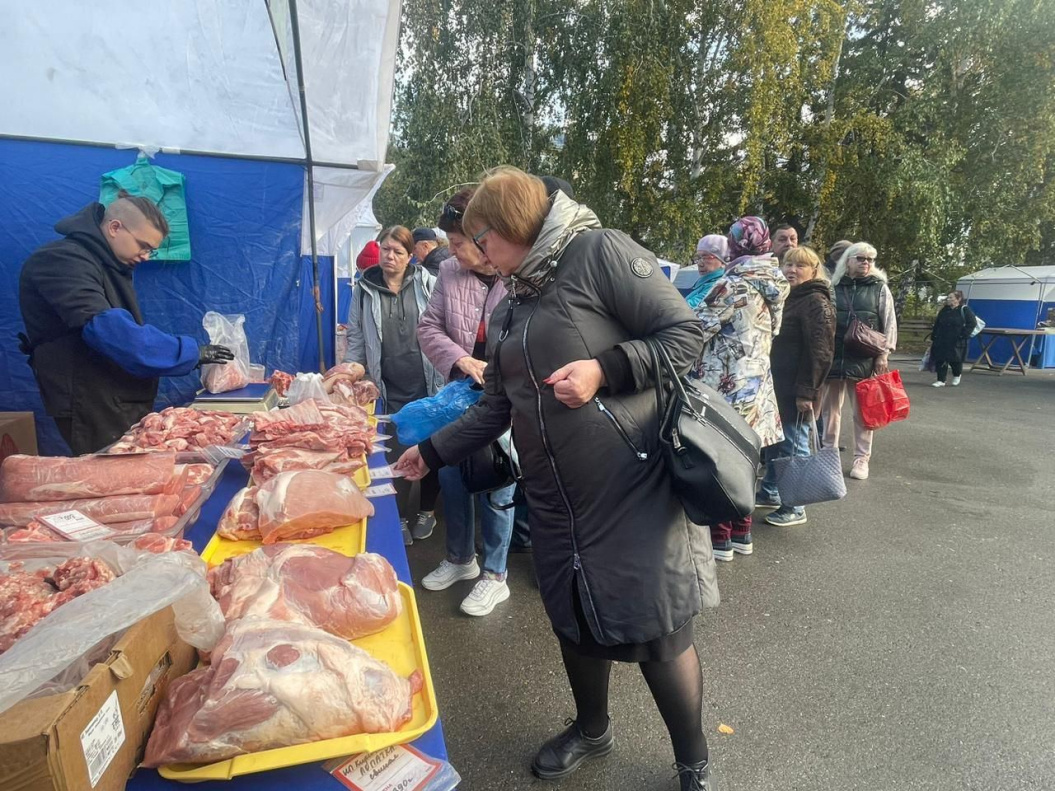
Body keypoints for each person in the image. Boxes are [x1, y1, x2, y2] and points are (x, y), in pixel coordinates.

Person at [395, 167, 718, 791]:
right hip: (554, 499)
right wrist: (430, 454)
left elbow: (685, 336)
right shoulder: (513, 298)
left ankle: (692, 762)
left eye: (481, 239)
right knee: (574, 622)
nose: (477, 253)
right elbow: (496, 404)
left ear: (511, 224)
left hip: (631, 489)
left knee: (659, 632)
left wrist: (604, 369)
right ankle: (592, 730)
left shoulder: (599, 252)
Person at [18, 195, 234, 455]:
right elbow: (108, 330)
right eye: (143, 246)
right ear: (114, 227)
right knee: (112, 471)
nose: (146, 257)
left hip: (115, 394)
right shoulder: (62, 260)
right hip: (90, 398)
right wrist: (190, 352)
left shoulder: (106, 263)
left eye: (151, 250)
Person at [416, 188, 516, 615]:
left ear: (482, 236)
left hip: (505, 396)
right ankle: (460, 559)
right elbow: (428, 328)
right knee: (453, 474)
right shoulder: (450, 272)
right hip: (458, 392)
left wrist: (500, 369)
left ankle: (495, 575)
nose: (452, 250)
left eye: (457, 241)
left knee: (497, 479)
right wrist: (459, 358)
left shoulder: (518, 272)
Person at [689, 216, 789, 561]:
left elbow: (697, 329)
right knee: (747, 460)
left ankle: (720, 537)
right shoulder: (774, 283)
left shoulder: (733, 284)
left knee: (719, 459)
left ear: (735, 245)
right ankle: (742, 532)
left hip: (724, 383)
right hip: (758, 385)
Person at [345, 226, 445, 542]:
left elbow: (444, 327)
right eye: (385, 249)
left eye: (398, 251)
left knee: (432, 450)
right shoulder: (363, 289)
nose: (390, 256)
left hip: (427, 384)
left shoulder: (428, 283)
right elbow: (356, 336)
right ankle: (398, 517)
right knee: (395, 455)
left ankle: (427, 511)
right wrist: (351, 372)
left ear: (410, 255)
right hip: (388, 386)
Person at [758, 246, 836, 526]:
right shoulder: (789, 297)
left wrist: (807, 392)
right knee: (778, 443)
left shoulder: (816, 302)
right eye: (788, 264)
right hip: (778, 385)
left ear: (813, 271)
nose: (791, 270)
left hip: (797, 388)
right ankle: (770, 491)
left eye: (799, 266)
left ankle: (795, 506)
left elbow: (821, 352)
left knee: (795, 445)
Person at [819, 242, 898, 480]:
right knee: (830, 411)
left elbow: (889, 322)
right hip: (834, 355)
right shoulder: (833, 287)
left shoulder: (879, 288)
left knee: (863, 412)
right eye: (861, 258)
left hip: (864, 357)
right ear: (848, 260)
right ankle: (828, 454)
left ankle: (862, 458)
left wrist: (883, 354)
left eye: (870, 259)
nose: (866, 263)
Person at [930, 290, 976, 387]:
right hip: (942, 338)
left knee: (955, 359)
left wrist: (963, 334)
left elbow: (972, 323)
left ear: (958, 299)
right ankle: (941, 380)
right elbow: (938, 323)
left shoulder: (964, 310)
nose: (948, 299)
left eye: (951, 297)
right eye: (948, 297)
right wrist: (934, 335)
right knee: (940, 358)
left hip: (956, 339)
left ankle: (957, 374)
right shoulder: (944, 310)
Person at [684, 235, 729, 309]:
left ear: (723, 262)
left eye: (705, 257)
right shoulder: (704, 284)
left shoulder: (719, 286)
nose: (699, 264)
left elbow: (685, 309)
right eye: (698, 258)